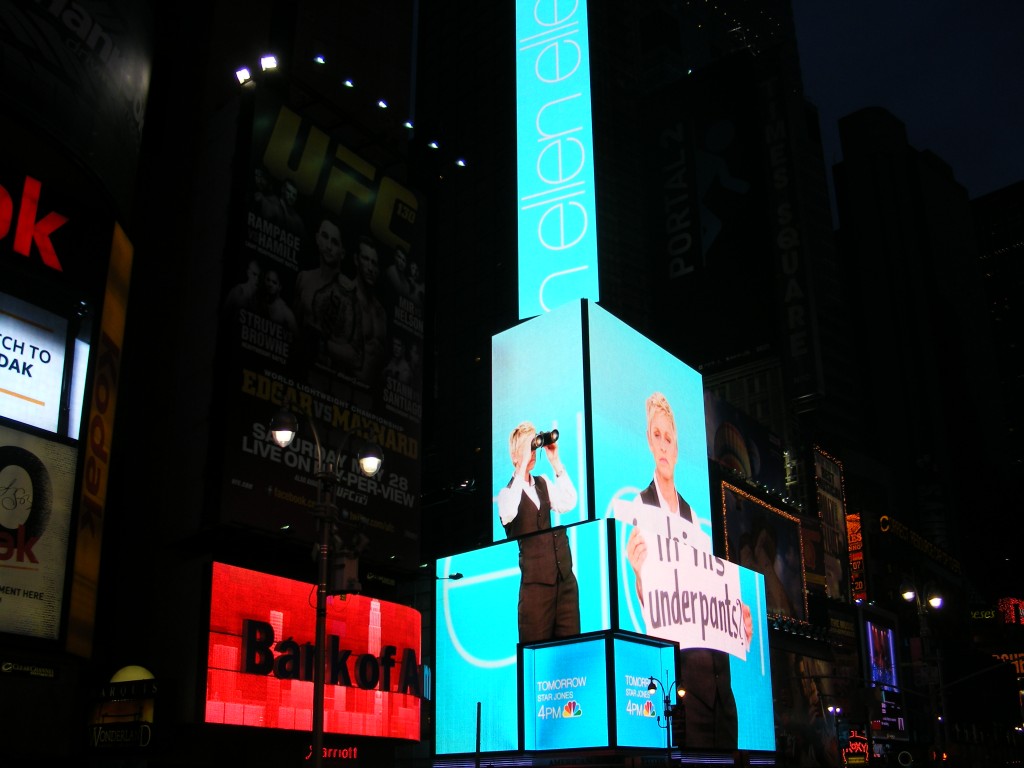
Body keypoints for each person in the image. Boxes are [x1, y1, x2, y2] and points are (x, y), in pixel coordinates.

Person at [625, 392, 752, 750]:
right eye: (657, 436)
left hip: (717, 680)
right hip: (679, 676)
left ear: (677, 445)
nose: (663, 446)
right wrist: (638, 574)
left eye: (669, 437)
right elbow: (653, 602)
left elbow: (704, 588)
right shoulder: (641, 505)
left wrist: (734, 617)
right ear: (649, 442)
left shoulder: (694, 516)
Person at [497, 421, 580, 644]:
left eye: (534, 446)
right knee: (536, 654)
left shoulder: (543, 483)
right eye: (527, 447)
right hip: (535, 589)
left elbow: (569, 502)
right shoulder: (506, 494)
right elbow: (509, 513)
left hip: (565, 583)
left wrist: (555, 462)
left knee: (571, 650)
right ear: (515, 454)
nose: (532, 453)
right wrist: (522, 464)